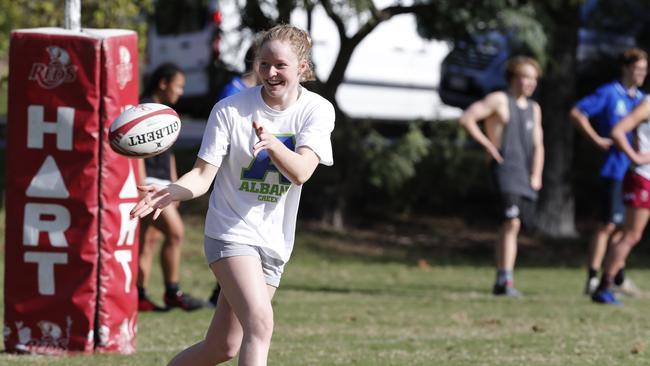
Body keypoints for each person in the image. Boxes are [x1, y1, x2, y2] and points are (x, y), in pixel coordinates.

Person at [130, 24, 335, 365]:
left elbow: (301, 171)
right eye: (263, 63)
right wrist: (171, 190)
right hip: (230, 232)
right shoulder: (229, 110)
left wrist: (272, 144)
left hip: (273, 240)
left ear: (301, 67)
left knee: (221, 347)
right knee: (261, 323)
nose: (270, 72)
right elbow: (201, 175)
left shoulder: (317, 110)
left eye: (280, 65)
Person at [459, 56, 544, 297]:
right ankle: (505, 280)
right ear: (513, 78)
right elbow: (467, 118)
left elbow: (539, 145)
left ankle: (503, 277)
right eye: (525, 77)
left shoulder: (534, 109)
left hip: (524, 175)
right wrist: (487, 145)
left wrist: (536, 174)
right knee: (511, 222)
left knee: (514, 227)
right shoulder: (499, 100)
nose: (530, 83)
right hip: (504, 170)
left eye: (534, 79)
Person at [570, 48, 648, 296]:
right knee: (608, 225)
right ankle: (594, 278)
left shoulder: (641, 98)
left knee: (626, 230)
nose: (641, 74)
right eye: (637, 69)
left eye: (645, 70)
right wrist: (596, 139)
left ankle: (615, 277)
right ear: (625, 68)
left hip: (636, 172)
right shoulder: (610, 93)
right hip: (616, 169)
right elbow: (577, 112)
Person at [137, 62, 205, 312]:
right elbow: (135, 153)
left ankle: (139, 295)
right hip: (150, 184)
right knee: (176, 233)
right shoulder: (141, 110)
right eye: (178, 86)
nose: (181, 92)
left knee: (148, 240)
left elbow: (169, 153)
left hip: (164, 182)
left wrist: (175, 185)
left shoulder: (165, 113)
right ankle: (172, 292)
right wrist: (141, 185)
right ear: (163, 83)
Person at [207, 44, 259, 308]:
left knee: (223, 344)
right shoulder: (232, 94)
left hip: (259, 209)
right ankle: (218, 294)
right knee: (258, 323)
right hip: (232, 188)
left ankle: (223, 296)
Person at [592, 94, 650, 305]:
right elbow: (617, 131)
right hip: (642, 177)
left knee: (628, 234)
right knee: (631, 235)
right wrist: (635, 157)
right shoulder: (647, 105)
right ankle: (604, 286)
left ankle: (606, 284)